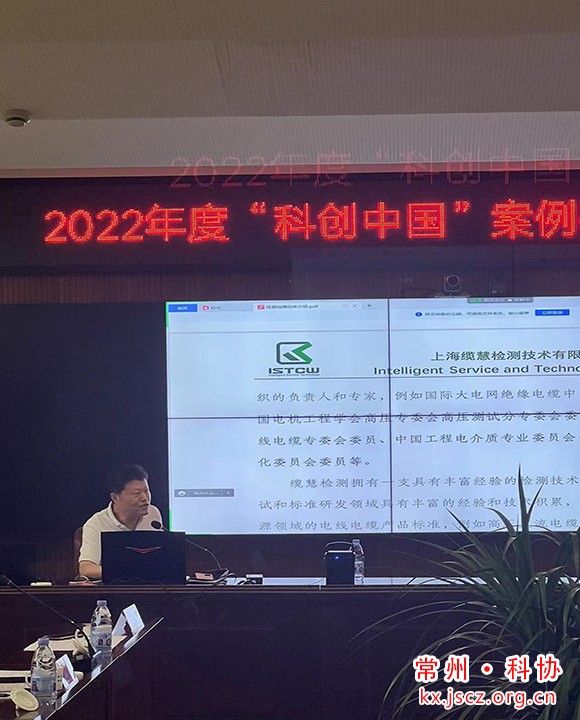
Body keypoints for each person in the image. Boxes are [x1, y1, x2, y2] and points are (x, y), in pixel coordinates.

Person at [78, 464, 162, 580]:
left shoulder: (152, 514)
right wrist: (127, 571)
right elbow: (86, 569)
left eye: (146, 491)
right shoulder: (96, 524)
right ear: (115, 497)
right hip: (114, 588)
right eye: (137, 493)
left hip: (148, 585)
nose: (145, 498)